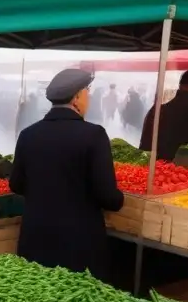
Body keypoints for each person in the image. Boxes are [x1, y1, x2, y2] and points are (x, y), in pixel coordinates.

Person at [9, 68, 123, 280]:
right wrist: (120, 198)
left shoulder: (28, 135)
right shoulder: (94, 136)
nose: (89, 98)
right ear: (77, 97)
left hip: (36, 240)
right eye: (87, 92)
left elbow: (16, 184)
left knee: (36, 301)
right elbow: (107, 196)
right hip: (78, 248)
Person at [139, 70, 188, 160]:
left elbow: (144, 146)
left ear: (180, 87)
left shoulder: (156, 111)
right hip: (186, 168)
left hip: (156, 166)